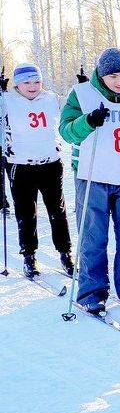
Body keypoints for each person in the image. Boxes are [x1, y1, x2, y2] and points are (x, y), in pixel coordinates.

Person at [58, 48, 120, 313]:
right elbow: (66, 131)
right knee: (93, 238)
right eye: (113, 77)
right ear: (101, 75)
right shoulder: (82, 94)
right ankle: (92, 292)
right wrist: (87, 121)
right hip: (92, 176)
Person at [2, 62, 72, 279]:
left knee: (57, 211)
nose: (32, 86)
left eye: (36, 82)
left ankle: (65, 253)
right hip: (20, 164)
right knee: (26, 213)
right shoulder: (6, 100)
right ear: (17, 85)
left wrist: (82, 87)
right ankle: (29, 256)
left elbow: (71, 107)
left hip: (50, 163)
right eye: (27, 83)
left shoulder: (50, 98)